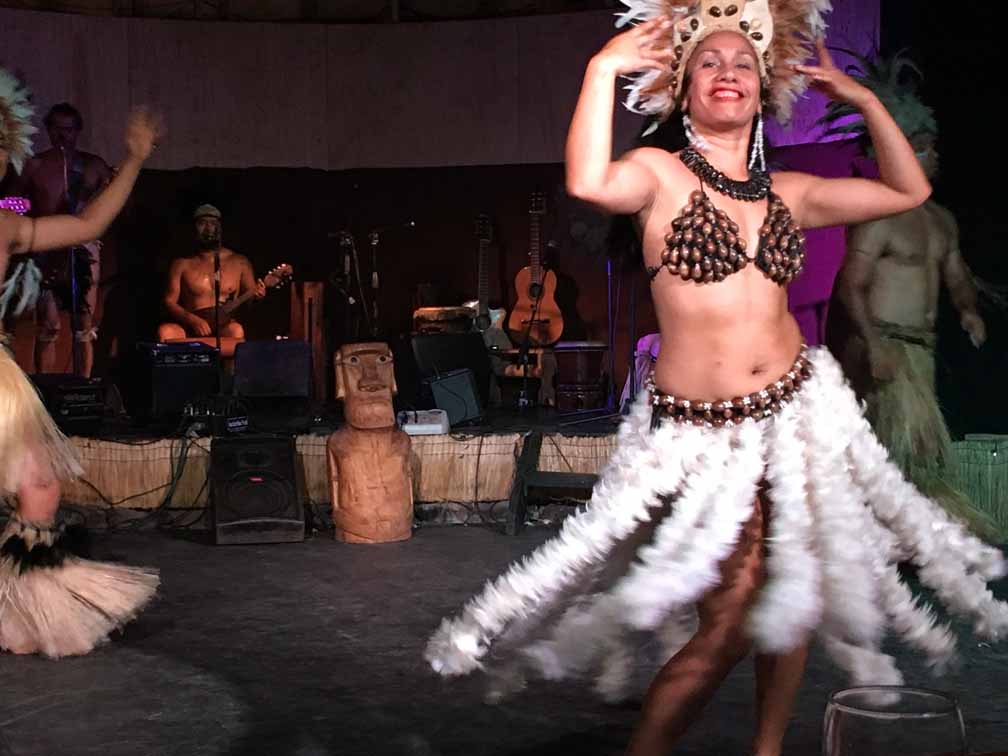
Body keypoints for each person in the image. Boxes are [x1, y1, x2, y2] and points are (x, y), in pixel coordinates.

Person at [425, 3, 1008, 755]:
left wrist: (860, 98)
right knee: (730, 619)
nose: (728, 72)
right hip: (704, 437)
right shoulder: (658, 175)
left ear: (763, 90)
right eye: (709, 61)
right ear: (684, 88)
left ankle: (767, 750)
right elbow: (589, 179)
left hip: (793, 418)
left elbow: (908, 192)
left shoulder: (788, 192)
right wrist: (603, 68)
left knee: (792, 598)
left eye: (742, 64)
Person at [1, 68, 162, 658]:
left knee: (40, 488)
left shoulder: (7, 224)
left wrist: (134, 160)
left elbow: (89, 224)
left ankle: (25, 613)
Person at [822, 51, 1002, 541]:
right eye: (922, 148)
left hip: (920, 351)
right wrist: (872, 343)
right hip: (883, 347)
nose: (934, 155)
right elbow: (849, 285)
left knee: (904, 456)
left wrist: (967, 310)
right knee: (906, 454)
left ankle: (899, 540)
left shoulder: (941, 221)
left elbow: (955, 274)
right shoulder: (877, 216)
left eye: (932, 147)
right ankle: (921, 537)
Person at [17, 103, 114, 377]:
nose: (63, 135)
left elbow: (114, 205)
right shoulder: (34, 165)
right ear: (48, 130)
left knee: (83, 327)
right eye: (57, 129)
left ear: (77, 131)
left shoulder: (94, 166)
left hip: (84, 247)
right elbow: (11, 201)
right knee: (48, 325)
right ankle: (46, 389)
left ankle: (84, 390)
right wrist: (27, 218)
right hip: (46, 246)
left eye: (68, 129)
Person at [157, 204, 265, 342]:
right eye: (202, 223)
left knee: (236, 330)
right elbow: (169, 301)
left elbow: (250, 300)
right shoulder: (181, 264)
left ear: (220, 228)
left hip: (224, 326)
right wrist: (193, 320)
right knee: (166, 332)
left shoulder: (239, 262)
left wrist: (258, 296)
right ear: (194, 228)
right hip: (189, 326)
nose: (208, 228)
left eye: (213, 223)